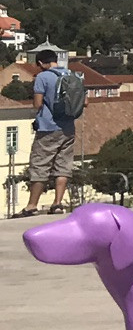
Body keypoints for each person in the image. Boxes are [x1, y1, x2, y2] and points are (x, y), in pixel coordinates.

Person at [24, 49, 76, 217]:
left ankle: (32, 206)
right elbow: (85, 101)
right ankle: (58, 204)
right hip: (68, 128)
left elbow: (38, 104)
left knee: (40, 165)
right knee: (63, 167)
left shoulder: (42, 77)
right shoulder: (72, 74)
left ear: (40, 63)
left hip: (48, 127)